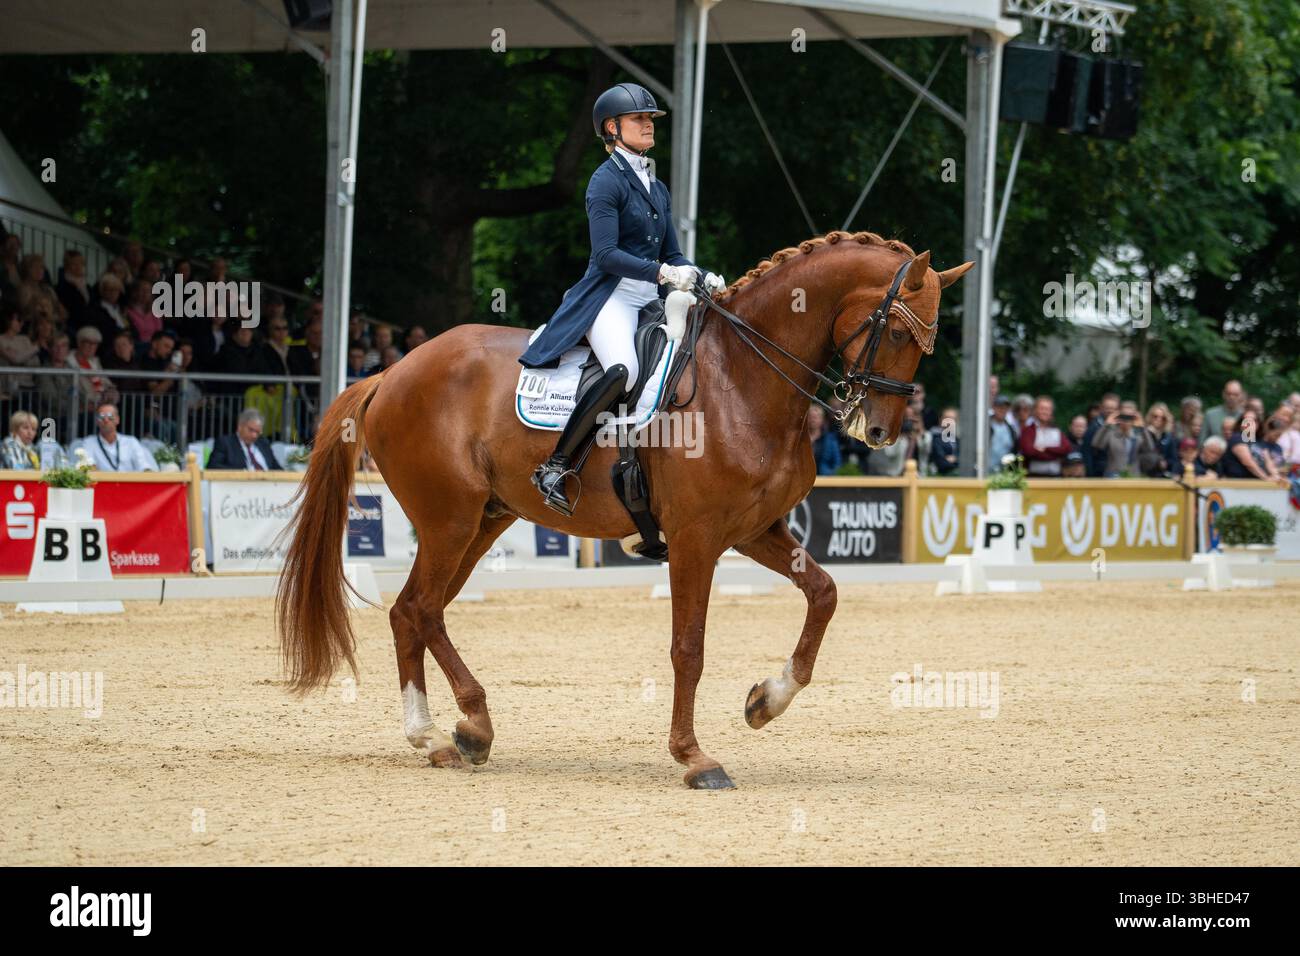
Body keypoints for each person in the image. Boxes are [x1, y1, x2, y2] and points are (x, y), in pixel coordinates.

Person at [518, 83, 724, 515]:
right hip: (610, 296)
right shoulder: (604, 182)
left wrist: (701, 274)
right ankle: (556, 465)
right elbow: (607, 255)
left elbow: (672, 253)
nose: (649, 124)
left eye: (650, 118)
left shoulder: (656, 186)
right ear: (612, 128)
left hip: (650, 298)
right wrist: (665, 273)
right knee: (623, 370)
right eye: (639, 119)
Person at [75, 403, 158, 471]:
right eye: (101, 417)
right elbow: (89, 466)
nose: (106, 420)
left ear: (117, 420)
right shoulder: (89, 442)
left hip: (129, 487)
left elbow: (143, 466)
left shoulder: (131, 442)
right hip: (102, 487)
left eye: (110, 417)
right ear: (97, 421)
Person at [1091, 400, 1160, 477]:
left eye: (1129, 417)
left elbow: (1149, 448)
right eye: (1124, 416)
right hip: (1113, 476)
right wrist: (1106, 425)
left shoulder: (1138, 435)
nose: (1126, 420)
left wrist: (1142, 428)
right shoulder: (1111, 433)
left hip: (1133, 476)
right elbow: (1096, 444)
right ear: (1119, 416)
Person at [207, 408, 283, 470]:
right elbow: (213, 467)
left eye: (258, 432)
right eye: (251, 430)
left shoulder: (264, 444)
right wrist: (243, 473)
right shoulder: (225, 443)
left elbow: (277, 468)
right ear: (240, 426)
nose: (254, 435)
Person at [1018, 395, 1074, 477]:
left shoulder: (1056, 430)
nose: (1045, 412)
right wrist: (1055, 455)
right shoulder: (1028, 430)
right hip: (1034, 476)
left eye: (1048, 409)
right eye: (1042, 409)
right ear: (1035, 410)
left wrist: (1045, 449)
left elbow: (1066, 448)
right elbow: (1029, 451)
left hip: (1056, 476)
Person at [806, 404, 841, 475]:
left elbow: (837, 464)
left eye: (816, 417)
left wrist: (829, 475)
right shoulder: (799, 440)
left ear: (822, 420)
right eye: (810, 417)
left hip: (824, 480)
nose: (813, 420)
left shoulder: (830, 440)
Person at [988, 394, 1015, 470]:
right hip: (986, 471)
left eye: (1005, 408)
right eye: (999, 407)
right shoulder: (985, 426)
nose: (1002, 410)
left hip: (1004, 471)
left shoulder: (1011, 429)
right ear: (993, 407)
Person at [928, 407, 959, 475]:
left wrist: (956, 459)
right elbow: (941, 462)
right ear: (941, 419)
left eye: (953, 419)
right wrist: (958, 462)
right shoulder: (934, 437)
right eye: (947, 418)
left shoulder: (958, 440)